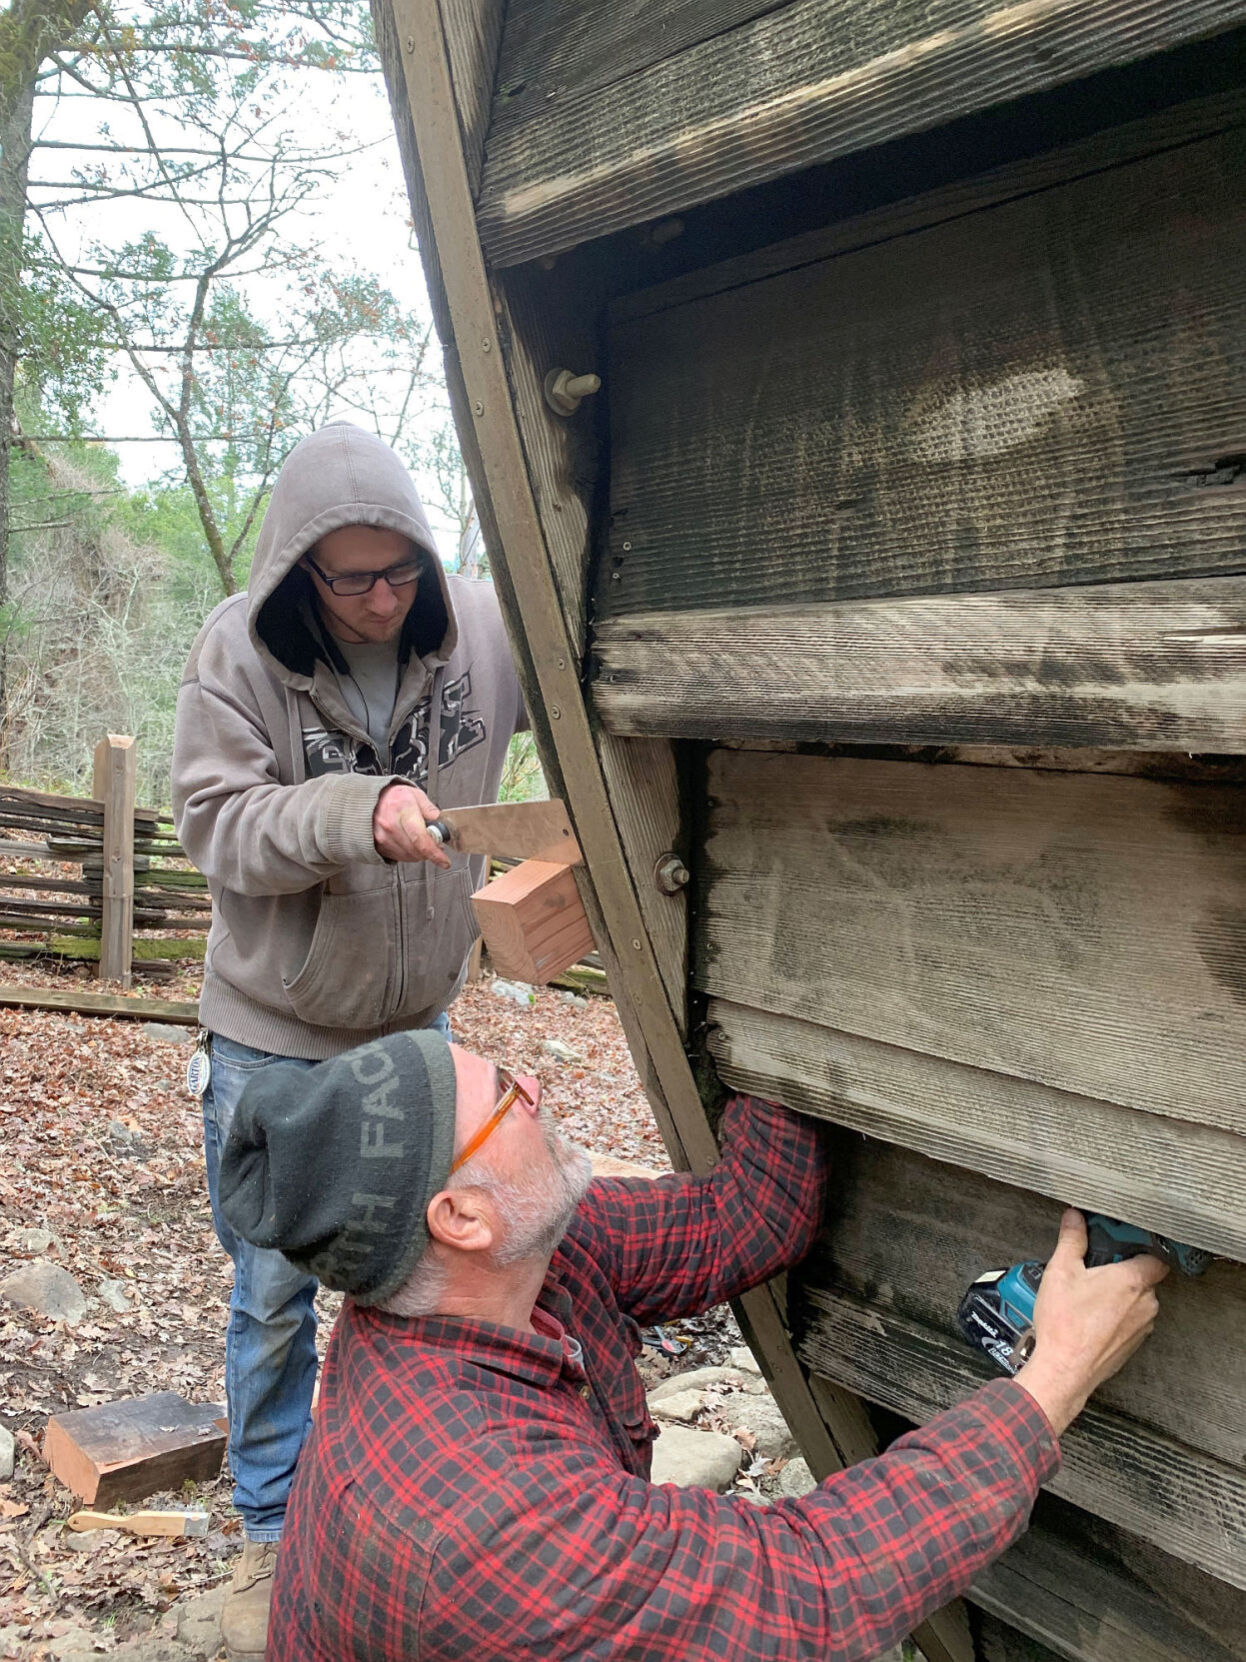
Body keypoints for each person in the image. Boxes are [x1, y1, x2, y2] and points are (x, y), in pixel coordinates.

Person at [217, 1029, 1168, 1662]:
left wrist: (784, 1023)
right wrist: (1053, 1378)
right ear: (460, 1215)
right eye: (509, 1098)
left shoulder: (511, 1265)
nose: (539, 1088)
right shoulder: (480, 1517)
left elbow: (743, 1216)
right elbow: (806, 1587)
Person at [171, 421, 526, 1660]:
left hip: (413, 1020)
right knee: (274, 1288)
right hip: (276, 1034)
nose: (383, 602)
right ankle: (274, 1509)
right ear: (299, 577)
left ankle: (384, 1484)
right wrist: (351, 812)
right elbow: (213, 823)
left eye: (402, 573)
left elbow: (578, 698)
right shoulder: (238, 649)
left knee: (413, 1269)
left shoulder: (476, 622)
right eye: (354, 580)